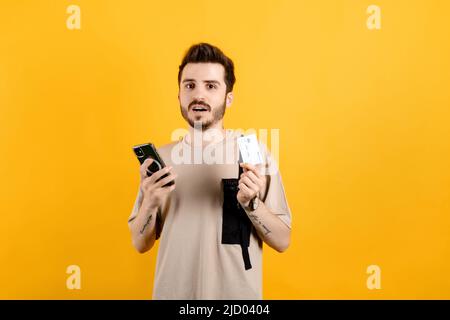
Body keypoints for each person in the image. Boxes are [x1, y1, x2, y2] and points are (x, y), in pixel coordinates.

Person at [127, 43, 292, 299]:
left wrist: (252, 204)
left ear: (228, 98)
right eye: (189, 85)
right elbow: (140, 244)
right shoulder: (161, 160)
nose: (199, 95)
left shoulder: (252, 154)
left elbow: (282, 241)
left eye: (211, 86)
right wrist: (149, 203)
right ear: (179, 95)